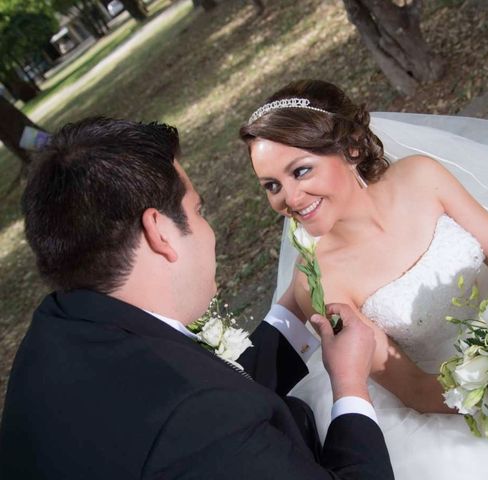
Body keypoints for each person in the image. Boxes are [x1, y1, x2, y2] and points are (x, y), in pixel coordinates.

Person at [239, 79, 488, 479]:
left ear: (351, 148)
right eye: (272, 186)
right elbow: (413, 388)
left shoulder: (420, 177)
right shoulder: (319, 281)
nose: (289, 199)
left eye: (301, 171)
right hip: (459, 398)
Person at [0, 117, 394, 480]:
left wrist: (295, 305)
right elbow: (203, 413)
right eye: (198, 210)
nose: (208, 232)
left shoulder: (59, 330)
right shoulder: (191, 424)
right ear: (159, 232)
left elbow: (207, 386)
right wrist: (349, 385)